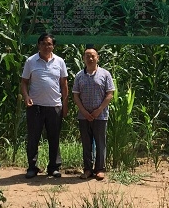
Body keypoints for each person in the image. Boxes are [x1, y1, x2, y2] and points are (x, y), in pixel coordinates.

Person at [20, 33, 69, 178]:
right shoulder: (31, 61)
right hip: (35, 106)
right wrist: (26, 97)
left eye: (49, 44)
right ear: (38, 45)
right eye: (43, 43)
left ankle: (53, 167)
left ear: (53, 46)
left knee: (54, 138)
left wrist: (65, 104)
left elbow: (64, 83)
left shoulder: (59, 61)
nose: (46, 46)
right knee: (33, 137)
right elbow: (24, 82)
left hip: (54, 105)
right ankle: (32, 166)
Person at [72, 47, 114, 180]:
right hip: (83, 116)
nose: (90, 59)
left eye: (93, 56)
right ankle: (87, 169)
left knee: (101, 143)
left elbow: (110, 94)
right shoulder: (79, 76)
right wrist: (84, 112)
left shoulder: (105, 74)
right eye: (87, 56)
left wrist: (98, 110)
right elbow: (76, 96)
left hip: (100, 116)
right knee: (86, 143)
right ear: (83, 58)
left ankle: (100, 169)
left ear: (97, 58)